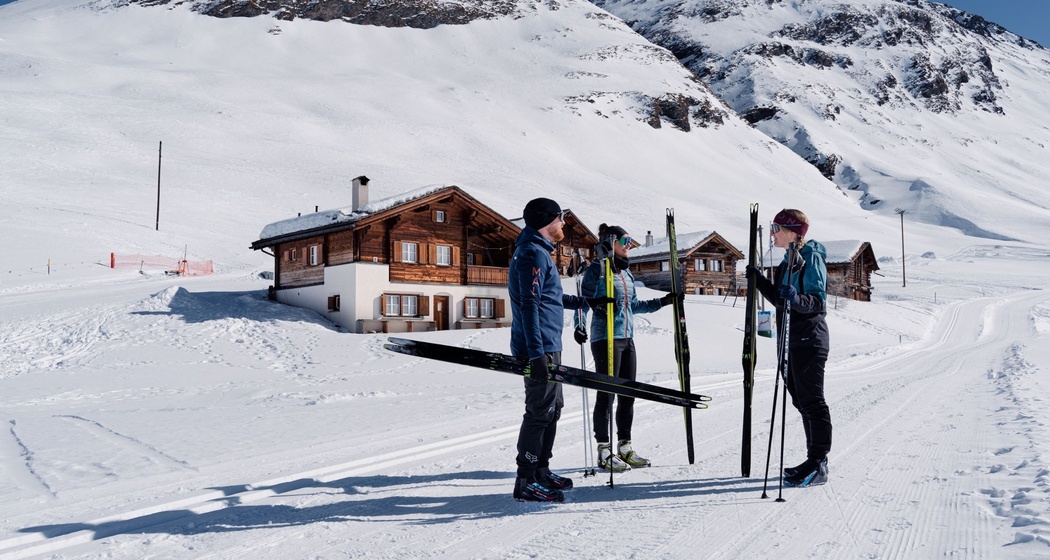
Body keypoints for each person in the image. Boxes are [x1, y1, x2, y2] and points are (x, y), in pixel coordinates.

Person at [509, 197, 613, 502]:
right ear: (546, 221)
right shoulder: (531, 254)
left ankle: (541, 470)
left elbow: (550, 298)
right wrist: (536, 353)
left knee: (553, 410)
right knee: (540, 411)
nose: (564, 224)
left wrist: (588, 302)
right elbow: (529, 305)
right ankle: (526, 479)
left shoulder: (539, 252)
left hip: (548, 345)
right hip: (538, 348)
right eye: (559, 218)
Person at [578, 224, 679, 472]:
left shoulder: (626, 273)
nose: (628, 245)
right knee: (607, 394)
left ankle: (625, 447)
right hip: (605, 338)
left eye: (630, 241)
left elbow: (633, 305)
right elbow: (582, 302)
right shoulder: (596, 270)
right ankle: (604, 450)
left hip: (626, 338)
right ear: (610, 242)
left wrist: (663, 302)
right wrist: (581, 323)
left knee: (628, 394)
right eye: (624, 241)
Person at [746, 208, 831, 487]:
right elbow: (781, 300)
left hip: (810, 339)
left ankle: (818, 462)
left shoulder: (810, 258)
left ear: (792, 232)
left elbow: (817, 302)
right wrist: (759, 281)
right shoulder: (786, 263)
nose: (772, 234)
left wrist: (796, 299)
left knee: (813, 401)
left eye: (776, 228)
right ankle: (813, 460)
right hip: (789, 341)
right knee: (801, 401)